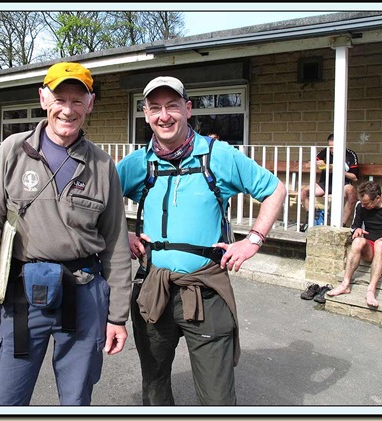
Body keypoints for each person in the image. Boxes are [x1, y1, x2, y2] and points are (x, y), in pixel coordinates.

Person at [116, 76, 286, 405]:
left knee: (218, 398)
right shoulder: (137, 163)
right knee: (154, 386)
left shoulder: (218, 156)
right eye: (155, 108)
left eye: (172, 106)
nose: (164, 115)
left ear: (188, 109)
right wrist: (120, 235)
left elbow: (274, 190)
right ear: (146, 114)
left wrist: (253, 239)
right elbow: (98, 204)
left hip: (206, 290)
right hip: (154, 289)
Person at [0, 62, 132, 406]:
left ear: (90, 105)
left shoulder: (103, 166)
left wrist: (117, 316)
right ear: (43, 99)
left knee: (76, 400)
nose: (68, 109)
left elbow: (116, 244)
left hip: (85, 294)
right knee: (2, 399)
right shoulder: (13, 151)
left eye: (78, 100)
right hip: (20, 297)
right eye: (60, 98)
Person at [326, 181, 382, 307]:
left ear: (377, 198)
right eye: (361, 202)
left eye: (366, 203)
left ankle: (371, 290)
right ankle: (345, 284)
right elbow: (354, 226)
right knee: (357, 241)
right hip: (370, 248)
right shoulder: (360, 205)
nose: (363, 205)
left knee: (380, 245)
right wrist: (356, 230)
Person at [300, 133, 359, 228]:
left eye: (333, 147)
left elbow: (355, 177)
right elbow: (308, 165)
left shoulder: (350, 155)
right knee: (303, 192)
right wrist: (316, 163)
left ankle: (342, 224)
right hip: (325, 184)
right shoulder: (325, 152)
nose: (331, 150)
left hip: (343, 185)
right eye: (330, 147)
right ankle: (311, 218)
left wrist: (337, 170)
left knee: (352, 192)